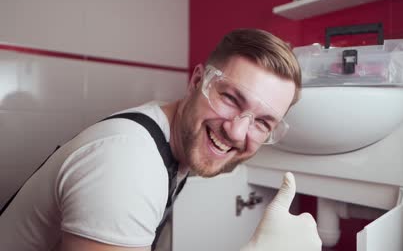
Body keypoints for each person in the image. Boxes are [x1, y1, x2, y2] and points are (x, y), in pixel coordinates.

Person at [0, 29, 321, 250]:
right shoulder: (129, 164)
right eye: (231, 99)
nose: (237, 132)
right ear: (197, 81)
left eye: (263, 122)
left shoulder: (167, 141)